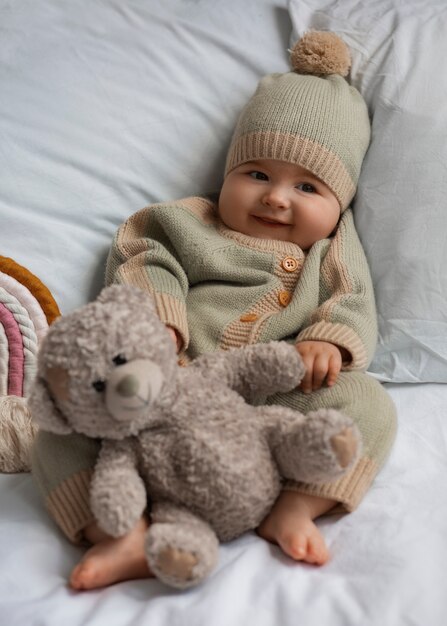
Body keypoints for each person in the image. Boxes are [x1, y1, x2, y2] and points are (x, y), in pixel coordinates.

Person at [31, 31, 396, 590]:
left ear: (340, 203)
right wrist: (161, 327)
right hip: (159, 390)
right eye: (256, 174)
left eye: (307, 186)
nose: (277, 197)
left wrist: (329, 339)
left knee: (367, 403)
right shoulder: (185, 223)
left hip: (266, 398)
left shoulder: (331, 252)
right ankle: (117, 533)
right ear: (227, 172)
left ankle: (298, 505)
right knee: (57, 429)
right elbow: (141, 255)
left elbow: (353, 299)